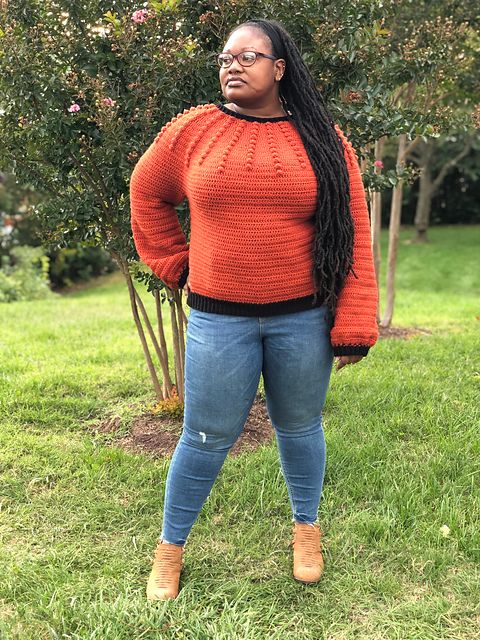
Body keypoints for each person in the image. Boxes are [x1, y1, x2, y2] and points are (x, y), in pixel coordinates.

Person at [129, 18, 378, 601]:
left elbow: (353, 232)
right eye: (225, 57)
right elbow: (146, 193)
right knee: (205, 434)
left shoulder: (323, 140)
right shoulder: (192, 133)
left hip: (303, 319)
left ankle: (306, 530)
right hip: (219, 320)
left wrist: (353, 320)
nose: (232, 65)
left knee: (299, 427)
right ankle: (170, 547)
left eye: (247, 56)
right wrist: (178, 263)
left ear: (279, 68)